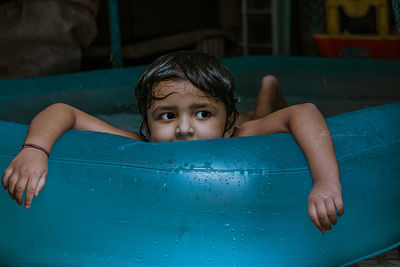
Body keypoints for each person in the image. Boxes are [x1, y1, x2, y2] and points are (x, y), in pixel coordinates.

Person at [2, 50, 343, 234]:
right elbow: (64, 111)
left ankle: (269, 88)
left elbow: (304, 112)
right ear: (146, 126)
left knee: (264, 116)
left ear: (227, 124)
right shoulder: (141, 144)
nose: (184, 129)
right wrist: (35, 150)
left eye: (202, 114)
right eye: (166, 116)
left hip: (247, 123)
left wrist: (325, 181)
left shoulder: (239, 134)